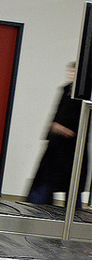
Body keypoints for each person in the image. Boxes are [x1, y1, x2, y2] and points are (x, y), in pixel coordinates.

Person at [27, 62, 86, 206]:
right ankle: (41, 207)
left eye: (74, 73)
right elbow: (57, 114)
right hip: (56, 146)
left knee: (71, 183)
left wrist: (59, 128)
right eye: (70, 72)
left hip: (71, 149)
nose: (71, 75)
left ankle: (73, 212)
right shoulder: (65, 90)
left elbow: (79, 125)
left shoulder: (81, 97)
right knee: (47, 178)